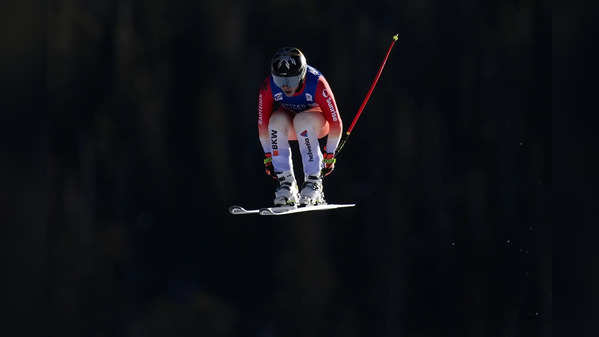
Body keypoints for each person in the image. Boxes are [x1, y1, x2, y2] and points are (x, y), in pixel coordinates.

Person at [258, 47, 343, 206]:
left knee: (302, 121)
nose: (285, 86)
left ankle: (313, 183)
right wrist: (269, 155)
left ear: (302, 75)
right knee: (275, 121)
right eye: (280, 80)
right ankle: (286, 184)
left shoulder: (316, 82)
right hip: (291, 123)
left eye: (290, 81)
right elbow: (262, 125)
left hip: (317, 122)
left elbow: (336, 123)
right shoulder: (268, 86)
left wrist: (330, 153)